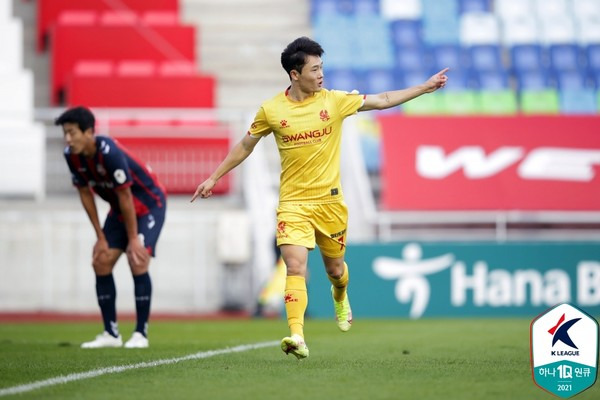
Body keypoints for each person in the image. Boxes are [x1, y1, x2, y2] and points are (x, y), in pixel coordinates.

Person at [191, 37, 448, 359]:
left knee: (336, 270)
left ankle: (340, 296)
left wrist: (424, 88)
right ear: (295, 74)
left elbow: (382, 99)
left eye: (322, 67)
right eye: (315, 69)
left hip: (329, 203)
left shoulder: (335, 101)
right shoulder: (271, 110)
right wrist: (214, 177)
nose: (321, 74)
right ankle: (296, 336)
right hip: (292, 204)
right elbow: (246, 145)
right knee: (294, 267)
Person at [55, 106, 167, 349]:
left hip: (149, 205)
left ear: (88, 132)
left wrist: (134, 240)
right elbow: (85, 193)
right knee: (101, 260)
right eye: (65, 133)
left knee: (137, 259)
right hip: (119, 210)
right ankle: (111, 334)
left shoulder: (110, 153)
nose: (68, 139)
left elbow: (126, 196)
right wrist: (100, 237)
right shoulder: (71, 155)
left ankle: (140, 334)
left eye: (72, 133)